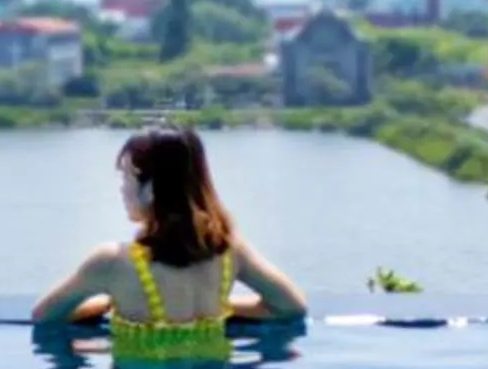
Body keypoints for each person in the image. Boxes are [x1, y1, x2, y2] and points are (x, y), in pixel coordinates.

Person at [30, 125, 308, 353]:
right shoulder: (229, 250)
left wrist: (105, 305)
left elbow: (45, 316)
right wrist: (221, 307)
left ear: (150, 188)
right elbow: (290, 307)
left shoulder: (110, 262)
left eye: (126, 177)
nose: (121, 189)